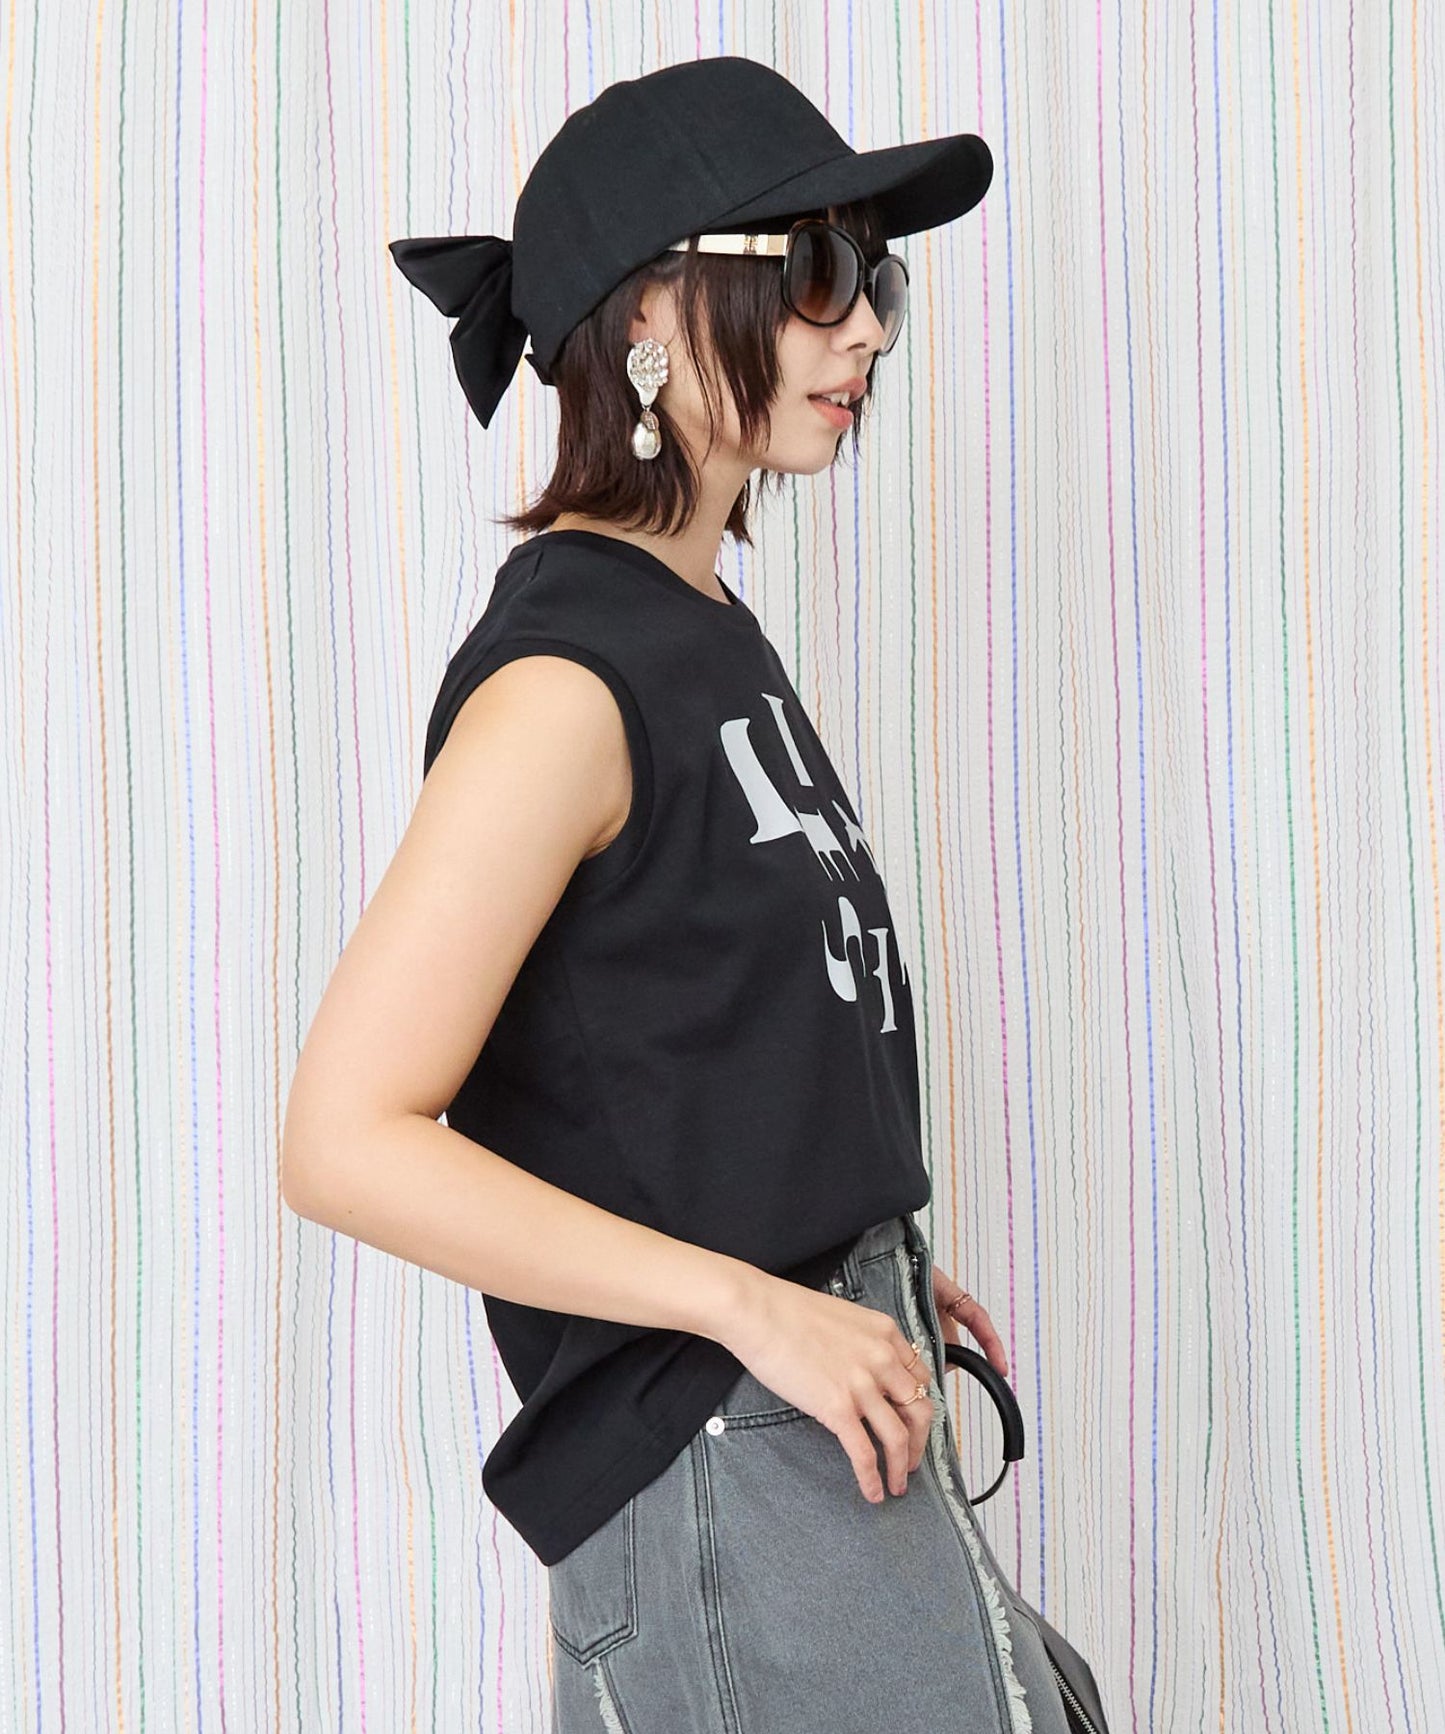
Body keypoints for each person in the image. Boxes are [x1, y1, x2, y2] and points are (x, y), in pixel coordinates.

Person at [282, 55, 1074, 1734]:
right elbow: (343, 1138)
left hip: (812, 1428)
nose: (864, 331)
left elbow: (673, 1043)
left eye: (878, 280)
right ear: (650, 308)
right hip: (724, 1458)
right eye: (817, 270)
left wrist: (844, 1248)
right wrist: (749, 1298)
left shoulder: (696, 631)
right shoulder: (564, 682)